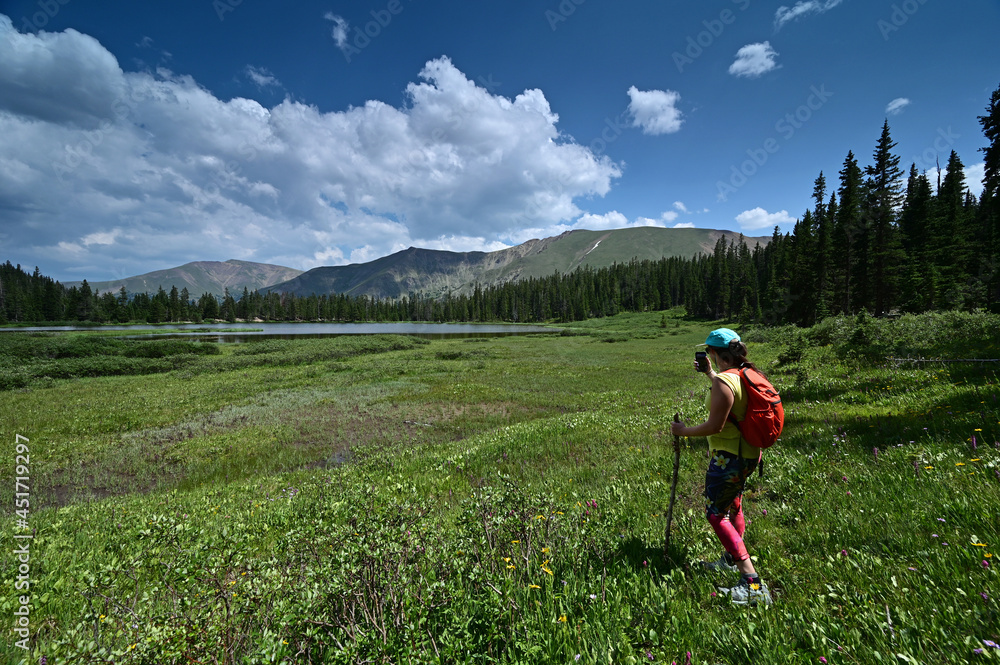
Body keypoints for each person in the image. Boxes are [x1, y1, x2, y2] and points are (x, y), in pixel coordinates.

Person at [670, 327, 773, 606]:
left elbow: (715, 425)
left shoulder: (724, 383)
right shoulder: (747, 374)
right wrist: (709, 374)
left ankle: (752, 585)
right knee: (734, 505)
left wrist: (682, 431)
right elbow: (735, 401)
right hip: (750, 455)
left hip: (728, 457)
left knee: (716, 514)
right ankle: (730, 561)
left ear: (714, 353)